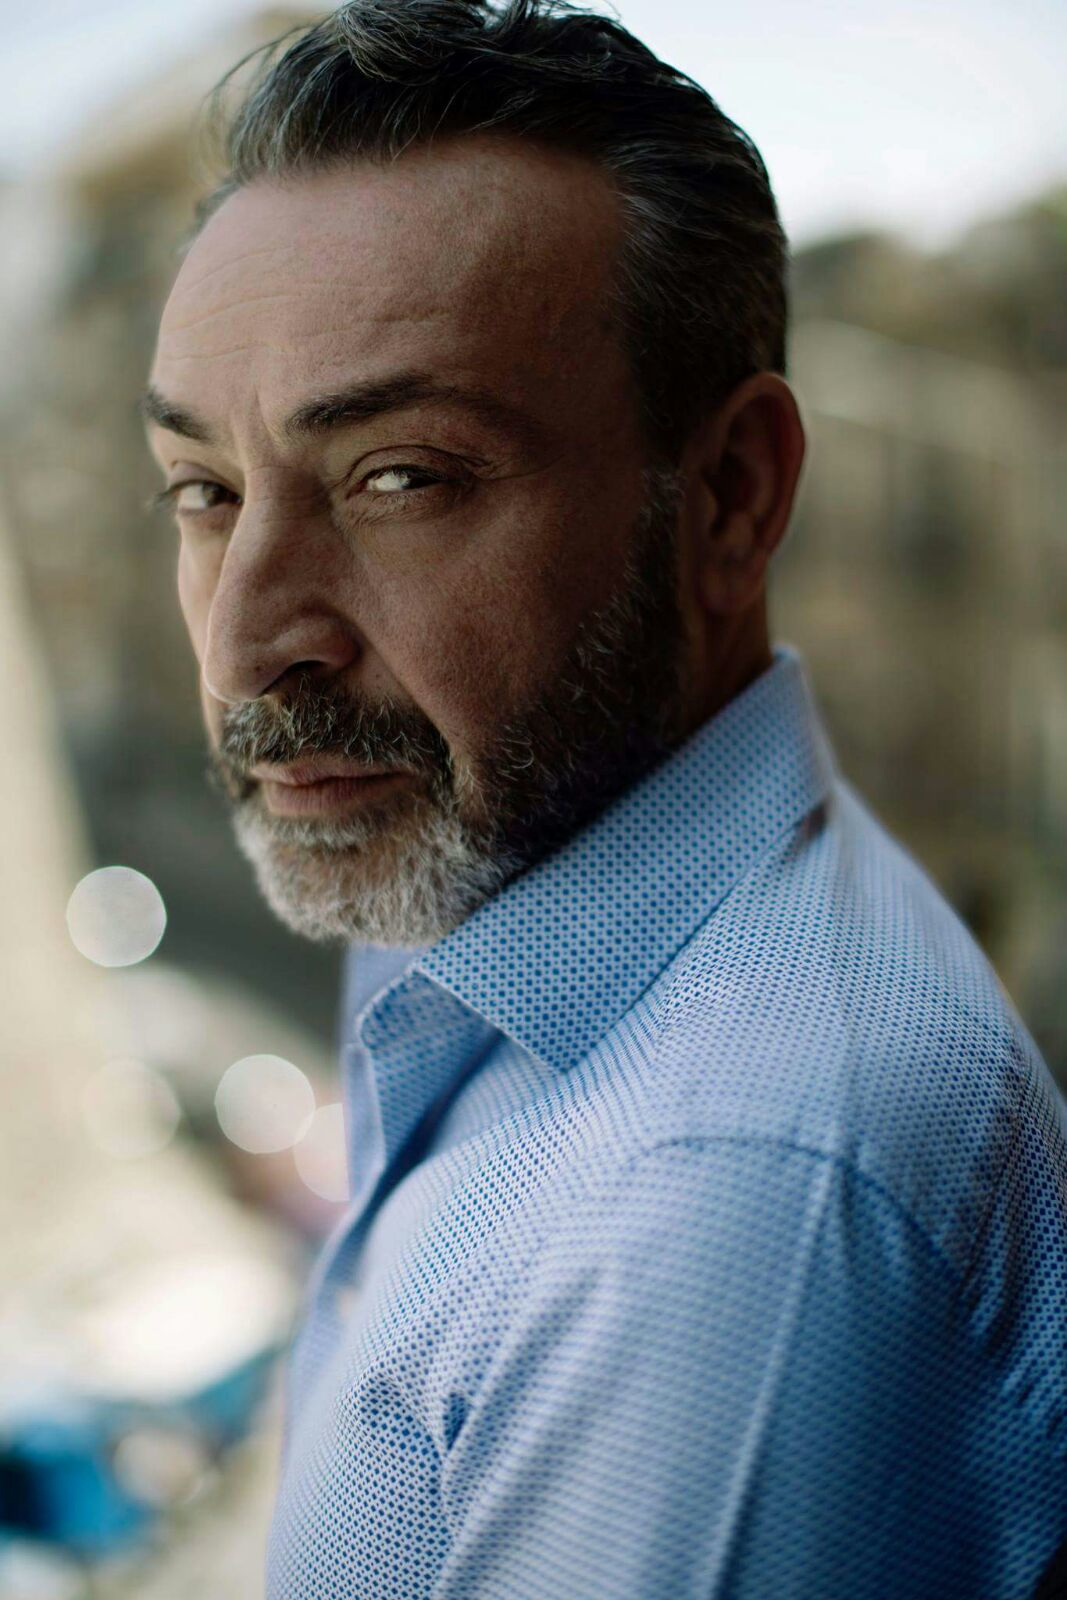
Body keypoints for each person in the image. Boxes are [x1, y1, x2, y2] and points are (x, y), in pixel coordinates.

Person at [140, 2, 1067, 1594]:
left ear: (731, 497)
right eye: (204, 491)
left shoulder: (733, 1208)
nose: (242, 642)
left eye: (401, 477)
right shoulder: (480, 877)